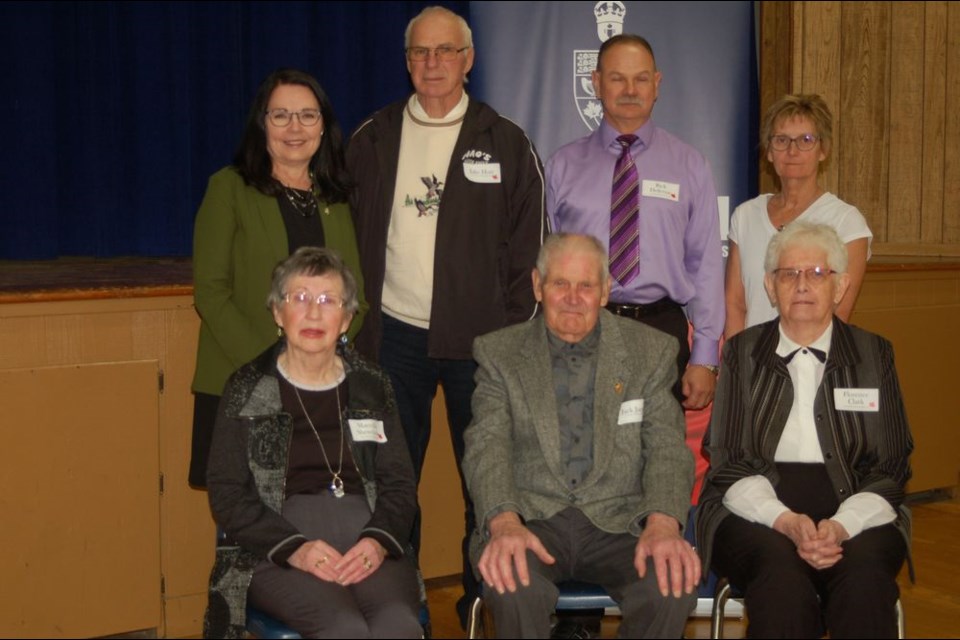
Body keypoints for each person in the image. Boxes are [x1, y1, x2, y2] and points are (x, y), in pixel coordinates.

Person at [345, 5, 546, 624]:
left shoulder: (506, 141)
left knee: (484, 483)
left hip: (482, 346)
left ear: (469, 60)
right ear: (408, 62)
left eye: (445, 51)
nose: (433, 63)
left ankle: (479, 606)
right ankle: (403, 612)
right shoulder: (371, 138)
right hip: (392, 337)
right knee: (390, 482)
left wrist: (512, 341)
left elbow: (529, 255)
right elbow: (345, 241)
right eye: (421, 53)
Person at [462, 233, 700, 638]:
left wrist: (663, 523)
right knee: (511, 581)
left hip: (620, 522)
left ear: (605, 291)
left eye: (586, 285)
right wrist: (503, 522)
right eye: (560, 284)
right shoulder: (499, 353)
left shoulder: (651, 351)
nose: (573, 297)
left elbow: (666, 447)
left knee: (670, 586)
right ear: (538, 285)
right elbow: (487, 446)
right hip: (531, 518)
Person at [696, 223, 912, 638]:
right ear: (770, 287)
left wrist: (842, 524)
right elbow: (728, 461)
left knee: (864, 577)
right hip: (753, 509)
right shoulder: (742, 354)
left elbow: (891, 464)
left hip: (858, 503)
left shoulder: (874, 354)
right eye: (788, 273)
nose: (801, 284)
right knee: (780, 578)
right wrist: (785, 521)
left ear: (841, 285)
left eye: (817, 273)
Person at [203, 247, 421, 639]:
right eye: (299, 298)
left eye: (328, 300)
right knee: (344, 629)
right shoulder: (247, 389)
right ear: (276, 312)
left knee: (398, 626)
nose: (314, 313)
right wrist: (294, 547)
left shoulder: (373, 386)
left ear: (347, 319)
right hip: (277, 545)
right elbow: (227, 493)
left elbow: (400, 482)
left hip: (367, 536)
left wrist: (378, 542)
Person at [189, 68, 367, 488]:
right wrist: (272, 368)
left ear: (323, 127)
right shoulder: (228, 188)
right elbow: (211, 293)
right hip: (243, 378)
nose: (294, 127)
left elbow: (355, 292)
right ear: (261, 124)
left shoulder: (336, 197)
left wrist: (329, 354)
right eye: (280, 115)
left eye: (307, 115)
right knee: (245, 514)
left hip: (323, 383)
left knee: (315, 502)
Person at [546, 34, 724, 411]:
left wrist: (705, 355)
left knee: (657, 459)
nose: (630, 90)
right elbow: (545, 265)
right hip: (582, 327)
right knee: (579, 456)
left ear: (656, 84)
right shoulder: (562, 165)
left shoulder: (690, 165)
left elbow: (705, 265)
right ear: (596, 83)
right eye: (617, 78)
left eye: (640, 79)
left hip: (661, 331)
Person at [725, 93, 872, 338]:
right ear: (769, 151)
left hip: (812, 369)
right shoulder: (745, 216)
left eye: (805, 139)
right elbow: (735, 304)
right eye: (781, 140)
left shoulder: (847, 223)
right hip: (750, 367)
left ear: (823, 150)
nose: (792, 150)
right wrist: (737, 367)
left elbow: (838, 314)